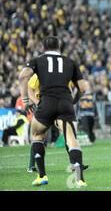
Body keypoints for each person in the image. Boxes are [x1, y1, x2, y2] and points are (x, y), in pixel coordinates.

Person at [18, 36, 89, 187]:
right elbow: (83, 88)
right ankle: (79, 179)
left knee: (37, 135)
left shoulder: (38, 60)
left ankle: (42, 176)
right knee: (71, 139)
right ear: (59, 46)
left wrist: (25, 101)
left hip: (46, 103)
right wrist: (74, 100)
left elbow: (23, 76)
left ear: (43, 49)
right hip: (65, 103)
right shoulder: (70, 62)